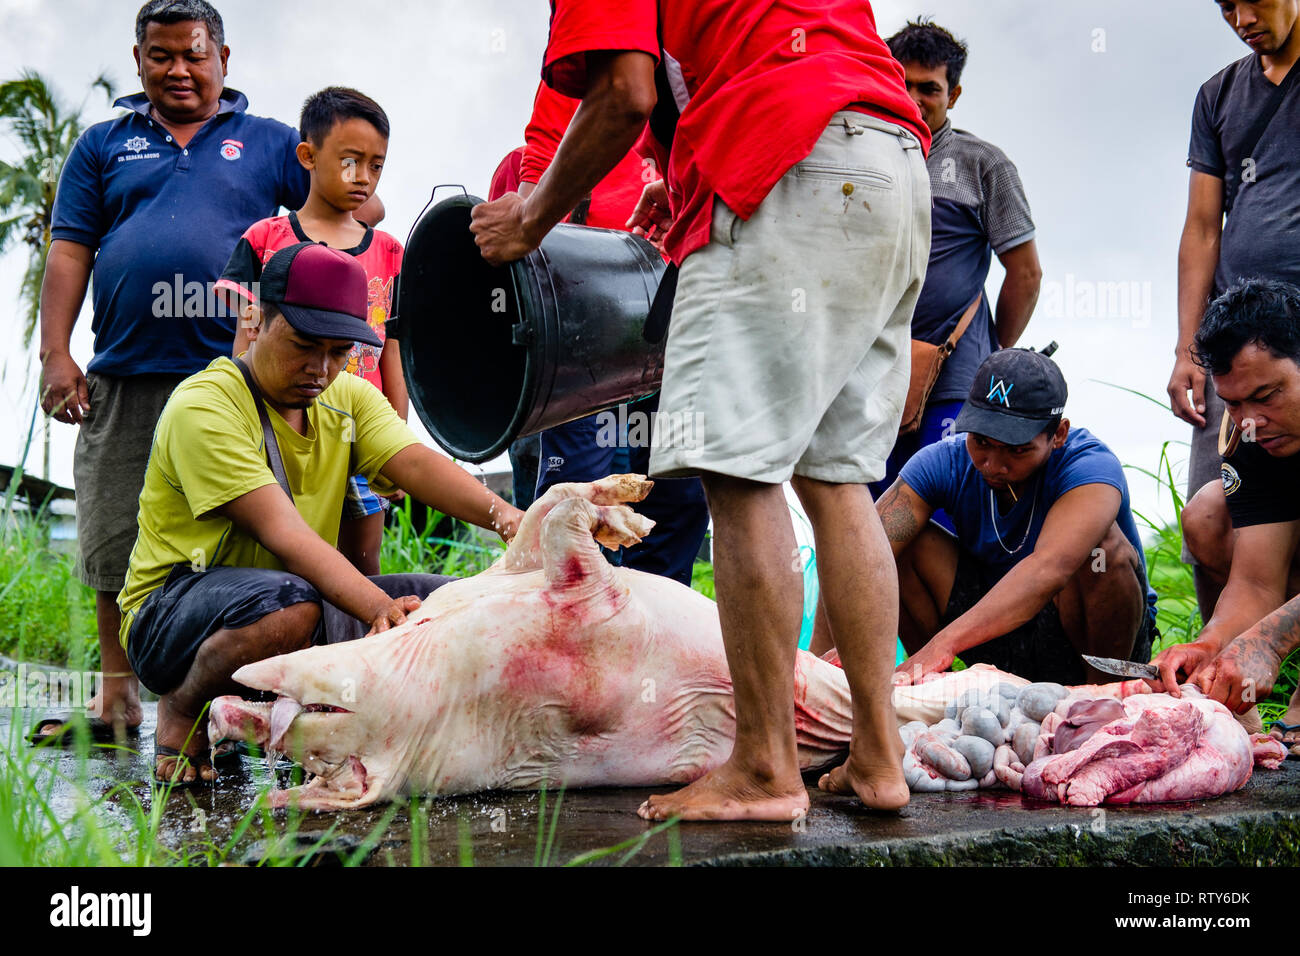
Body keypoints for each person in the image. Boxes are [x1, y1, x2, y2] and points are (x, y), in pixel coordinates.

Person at [472, 0, 932, 820]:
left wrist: (530, 217)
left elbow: (625, 93)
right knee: (836, 478)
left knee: (736, 471)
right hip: (889, 163)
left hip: (789, 161)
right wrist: (685, 182)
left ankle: (762, 768)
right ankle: (876, 756)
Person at [119, 242, 523, 785]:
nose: (320, 369)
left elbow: (417, 464)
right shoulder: (206, 405)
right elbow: (283, 532)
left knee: (457, 606)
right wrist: (379, 607)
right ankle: (184, 708)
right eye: (304, 345)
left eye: (338, 352)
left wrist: (513, 521)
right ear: (257, 320)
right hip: (173, 617)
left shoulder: (349, 398)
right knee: (293, 605)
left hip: (292, 599)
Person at [34, 0, 311, 743]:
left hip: (237, 383)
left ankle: (248, 700)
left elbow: (330, 218)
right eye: (162, 55)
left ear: (225, 57)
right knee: (113, 535)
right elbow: (70, 251)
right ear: (139, 60)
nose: (179, 69)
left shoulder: (274, 143)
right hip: (124, 375)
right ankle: (117, 703)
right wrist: (56, 353)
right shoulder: (102, 146)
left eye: (194, 53)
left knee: (257, 536)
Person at [515, 80, 709, 586]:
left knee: (680, 492)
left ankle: (659, 631)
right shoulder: (587, 67)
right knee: (578, 493)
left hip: (680, 315)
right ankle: (571, 638)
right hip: (586, 325)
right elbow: (535, 167)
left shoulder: (688, 70)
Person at [879, 349, 1157, 687]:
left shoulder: (1089, 465)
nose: (993, 464)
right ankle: (935, 688)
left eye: (1016, 449)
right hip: (999, 640)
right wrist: (824, 660)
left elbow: (1048, 569)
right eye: (980, 441)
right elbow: (862, 555)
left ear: (1058, 434)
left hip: (1085, 645)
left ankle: (1099, 697)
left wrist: (944, 643)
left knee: (1103, 551)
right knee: (893, 544)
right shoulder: (941, 462)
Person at [218, 86, 405, 577]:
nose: (363, 178)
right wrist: (244, 428)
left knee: (364, 572)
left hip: (361, 435)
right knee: (289, 565)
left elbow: (394, 352)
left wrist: (397, 442)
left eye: (376, 165)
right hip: (282, 433)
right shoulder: (265, 240)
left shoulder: (389, 252)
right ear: (307, 155)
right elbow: (247, 341)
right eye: (349, 161)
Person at [1166, 0, 1300, 618]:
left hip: (1290, 352)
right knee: (1215, 517)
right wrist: (1189, 349)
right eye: (1226, 6)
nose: (1243, 17)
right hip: (1235, 348)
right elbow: (1200, 227)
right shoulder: (1218, 95)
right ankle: (1223, 690)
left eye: (1255, 0)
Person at [873, 18, 1041, 496]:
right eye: (901, 84)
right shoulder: (859, 158)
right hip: (867, 374)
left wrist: (991, 353)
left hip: (956, 382)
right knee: (871, 520)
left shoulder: (983, 163)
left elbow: (1026, 273)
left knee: (939, 514)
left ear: (955, 93)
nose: (912, 99)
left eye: (929, 88)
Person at [1150, 279, 1300, 752]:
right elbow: (1257, 582)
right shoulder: (1252, 437)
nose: (1249, 421)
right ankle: (1242, 704)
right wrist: (1209, 645)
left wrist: (1272, 641)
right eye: (1233, 403)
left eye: (1267, 395)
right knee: (1208, 512)